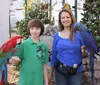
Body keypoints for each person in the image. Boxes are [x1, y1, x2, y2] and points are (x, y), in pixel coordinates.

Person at [48, 9, 86, 85]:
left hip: (76, 71)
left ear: (71, 18)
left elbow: (84, 55)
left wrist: (84, 50)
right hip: (60, 71)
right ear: (60, 20)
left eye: (67, 17)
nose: (65, 19)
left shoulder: (79, 35)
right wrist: (51, 74)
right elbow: (54, 56)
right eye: (63, 18)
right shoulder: (57, 36)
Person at [9, 19, 49, 85]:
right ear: (29, 29)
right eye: (32, 28)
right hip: (25, 80)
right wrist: (12, 60)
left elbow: (44, 65)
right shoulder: (23, 44)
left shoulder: (43, 46)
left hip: (38, 81)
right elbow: (13, 59)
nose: (34, 31)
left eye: (37, 28)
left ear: (41, 30)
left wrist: (46, 81)